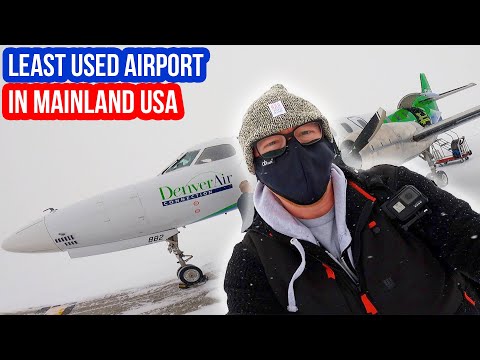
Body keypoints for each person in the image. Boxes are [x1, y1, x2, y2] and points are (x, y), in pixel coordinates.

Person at [224, 84, 480, 315]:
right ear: (255, 164)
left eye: (306, 134)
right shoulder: (251, 262)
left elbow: (470, 240)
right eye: (272, 144)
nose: (294, 150)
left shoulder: (395, 187)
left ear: (328, 142)